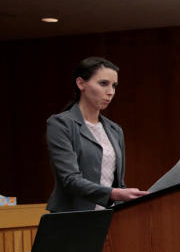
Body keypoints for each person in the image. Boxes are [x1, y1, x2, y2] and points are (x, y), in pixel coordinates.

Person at [46, 57, 147, 212]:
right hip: (72, 220)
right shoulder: (60, 124)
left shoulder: (115, 130)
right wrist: (114, 193)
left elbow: (117, 183)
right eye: (103, 84)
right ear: (81, 83)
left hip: (110, 218)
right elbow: (70, 180)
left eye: (114, 86)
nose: (111, 92)